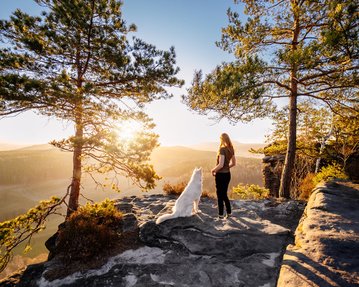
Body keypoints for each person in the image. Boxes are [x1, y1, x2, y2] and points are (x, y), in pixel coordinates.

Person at [211, 133, 236, 219]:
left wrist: (213, 170)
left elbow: (221, 165)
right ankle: (229, 212)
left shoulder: (222, 149)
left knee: (219, 195)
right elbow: (234, 163)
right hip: (227, 174)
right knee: (224, 194)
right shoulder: (231, 149)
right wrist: (227, 167)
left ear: (222, 139)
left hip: (220, 175)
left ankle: (220, 215)